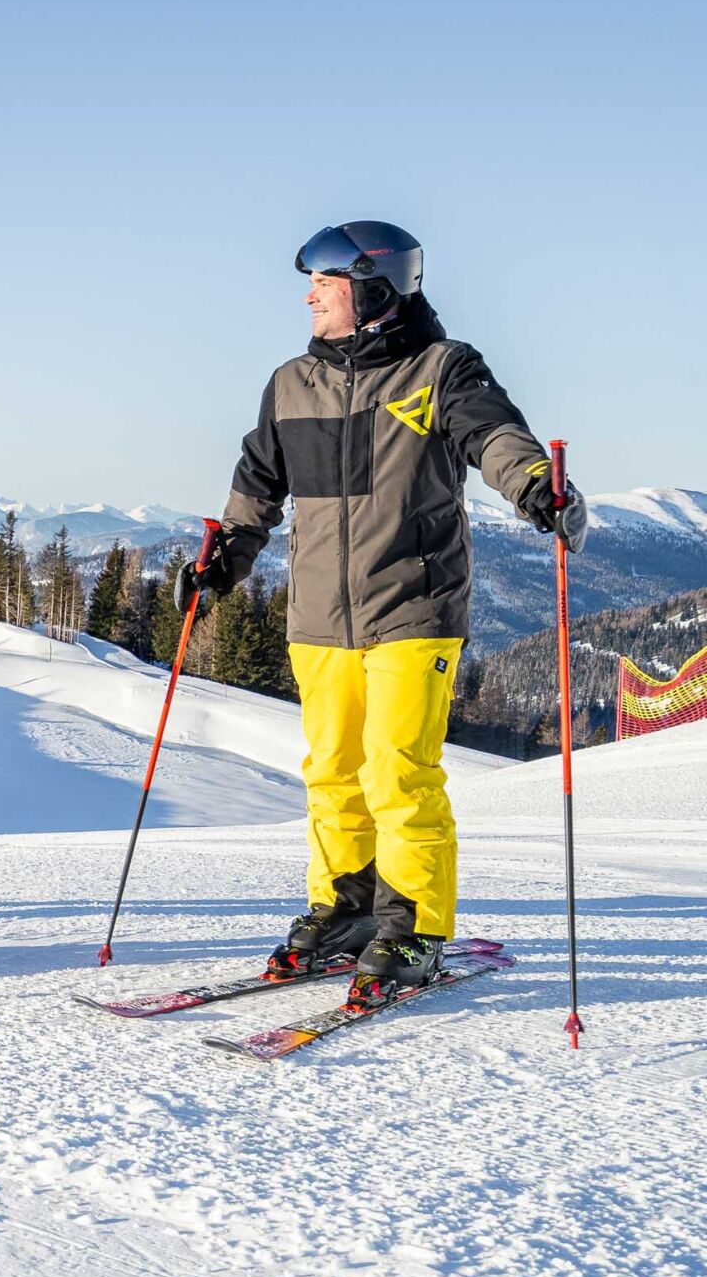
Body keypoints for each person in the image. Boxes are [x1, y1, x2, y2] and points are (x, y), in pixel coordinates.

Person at [187, 221, 585, 1007]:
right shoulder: (290, 383)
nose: (308, 296)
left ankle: (412, 925)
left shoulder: (441, 368)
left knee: (400, 771)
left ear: (371, 287)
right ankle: (347, 906)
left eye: (324, 284)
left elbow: (494, 435)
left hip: (414, 603)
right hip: (319, 617)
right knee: (332, 771)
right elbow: (255, 485)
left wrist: (539, 484)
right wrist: (222, 560)